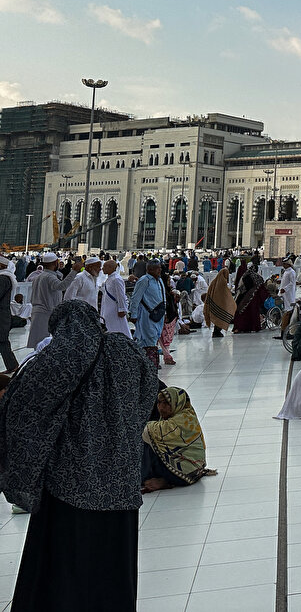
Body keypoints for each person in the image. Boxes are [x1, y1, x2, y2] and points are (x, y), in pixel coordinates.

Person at [0, 299, 157, 611]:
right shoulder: (127, 350)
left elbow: (22, 408)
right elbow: (149, 392)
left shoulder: (60, 357)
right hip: (119, 481)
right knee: (111, 558)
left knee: (64, 560)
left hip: (69, 483)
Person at [141, 387, 213, 493]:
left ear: (177, 403)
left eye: (166, 403)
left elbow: (146, 430)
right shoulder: (187, 414)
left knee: (146, 439)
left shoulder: (180, 421)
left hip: (183, 474)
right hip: (194, 471)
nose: (161, 407)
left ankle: (145, 478)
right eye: (159, 402)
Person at [26, 251, 82, 348]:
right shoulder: (49, 277)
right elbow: (62, 286)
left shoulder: (40, 276)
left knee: (40, 344)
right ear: (55, 263)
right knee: (43, 345)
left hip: (40, 313)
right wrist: (74, 271)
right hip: (45, 313)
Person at [130, 259, 166, 371]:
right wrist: (133, 314)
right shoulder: (144, 280)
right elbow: (135, 298)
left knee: (154, 338)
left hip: (158, 315)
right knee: (147, 339)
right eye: (158, 268)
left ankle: (150, 364)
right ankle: (149, 365)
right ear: (150, 269)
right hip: (146, 315)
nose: (160, 270)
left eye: (160, 268)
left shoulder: (159, 280)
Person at [203, 268, 234, 338]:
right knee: (220, 318)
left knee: (217, 318)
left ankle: (216, 331)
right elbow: (225, 293)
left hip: (214, 304)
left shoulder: (214, 282)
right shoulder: (222, 282)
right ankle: (217, 332)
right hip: (220, 304)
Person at [0, 255, 19, 372]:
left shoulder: (3, 279)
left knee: (2, 341)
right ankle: (12, 366)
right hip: (3, 315)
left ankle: (12, 366)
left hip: (1, 316)